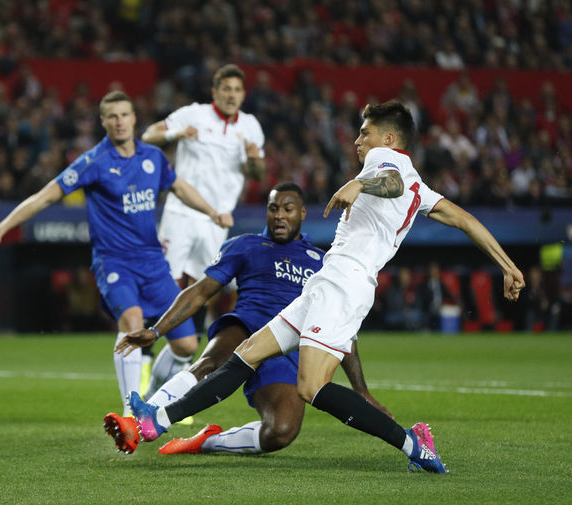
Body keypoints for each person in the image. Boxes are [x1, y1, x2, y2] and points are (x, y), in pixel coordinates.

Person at [126, 101, 526, 473]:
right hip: (327, 282)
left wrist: (361, 185)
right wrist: (508, 266)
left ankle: (413, 445)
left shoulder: (384, 161)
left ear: (389, 138)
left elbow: (391, 183)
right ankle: (156, 420)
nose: (357, 140)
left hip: (345, 284)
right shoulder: (421, 188)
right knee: (245, 354)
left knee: (311, 386)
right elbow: (465, 220)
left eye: (365, 132)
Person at [0, 91, 233, 415]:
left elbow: (180, 188)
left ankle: (151, 397)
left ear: (134, 118)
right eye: (112, 116)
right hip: (114, 262)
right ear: (103, 122)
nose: (119, 121)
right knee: (132, 321)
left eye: (124, 115)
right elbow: (44, 197)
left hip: (154, 264)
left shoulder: (153, 157)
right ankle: (130, 412)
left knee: (186, 345)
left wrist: (212, 212)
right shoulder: (93, 162)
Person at [104, 182, 391, 455]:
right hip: (246, 326)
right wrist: (156, 331)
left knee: (281, 431)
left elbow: (340, 328)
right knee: (211, 361)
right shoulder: (245, 245)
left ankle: (207, 442)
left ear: (302, 213)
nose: (279, 216)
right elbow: (200, 291)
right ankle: (138, 423)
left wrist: (361, 390)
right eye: (273, 208)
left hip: (287, 346)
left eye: (287, 209)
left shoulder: (322, 262)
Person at [141, 63, 264, 386]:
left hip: (217, 220)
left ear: (243, 95)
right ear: (215, 92)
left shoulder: (250, 126)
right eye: (226, 89)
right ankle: (145, 354)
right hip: (181, 212)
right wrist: (176, 133)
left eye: (237, 90)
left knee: (203, 289)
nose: (231, 95)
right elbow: (148, 135)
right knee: (164, 284)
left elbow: (258, 174)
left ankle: (180, 367)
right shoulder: (193, 114)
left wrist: (254, 159)